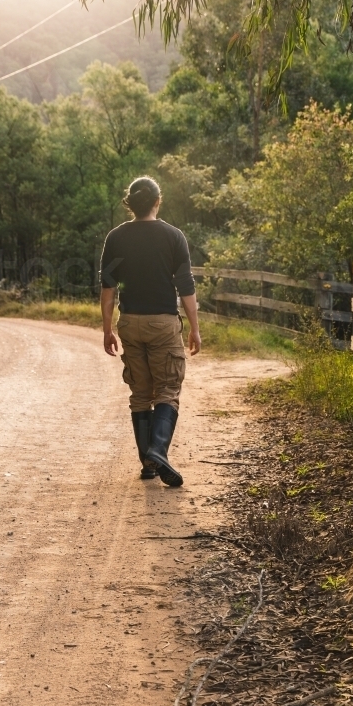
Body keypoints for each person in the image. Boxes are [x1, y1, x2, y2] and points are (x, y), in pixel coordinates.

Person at [100, 176, 201, 487]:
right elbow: (185, 287)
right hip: (163, 323)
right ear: (158, 201)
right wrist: (194, 328)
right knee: (168, 391)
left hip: (129, 322)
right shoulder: (174, 237)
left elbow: (108, 287)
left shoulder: (116, 238)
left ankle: (148, 464)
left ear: (131, 203)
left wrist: (107, 329)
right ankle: (158, 449)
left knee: (140, 394)